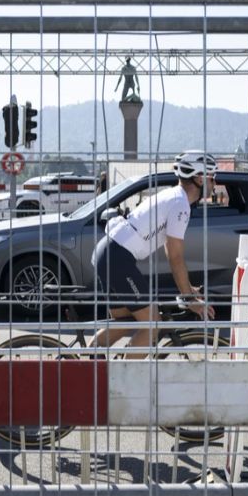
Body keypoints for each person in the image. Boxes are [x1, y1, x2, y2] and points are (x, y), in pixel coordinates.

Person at [91, 150, 217, 356]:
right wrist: (189, 299)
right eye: (213, 177)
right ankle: (124, 380)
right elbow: (175, 257)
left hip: (108, 253)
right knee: (153, 324)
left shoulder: (174, 197)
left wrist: (187, 289)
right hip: (117, 259)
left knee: (124, 321)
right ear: (199, 178)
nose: (215, 183)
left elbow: (171, 249)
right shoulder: (180, 204)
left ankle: (84, 365)